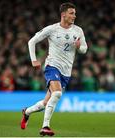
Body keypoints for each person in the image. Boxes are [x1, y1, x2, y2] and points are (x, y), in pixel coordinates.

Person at [20, 2, 88, 136]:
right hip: (52, 66)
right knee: (57, 94)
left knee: (46, 103)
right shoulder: (52, 29)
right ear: (63, 15)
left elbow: (84, 50)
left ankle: (26, 112)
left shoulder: (78, 30)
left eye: (74, 13)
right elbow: (31, 41)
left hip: (66, 71)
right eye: (71, 13)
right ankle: (45, 126)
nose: (74, 16)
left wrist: (79, 46)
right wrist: (34, 59)